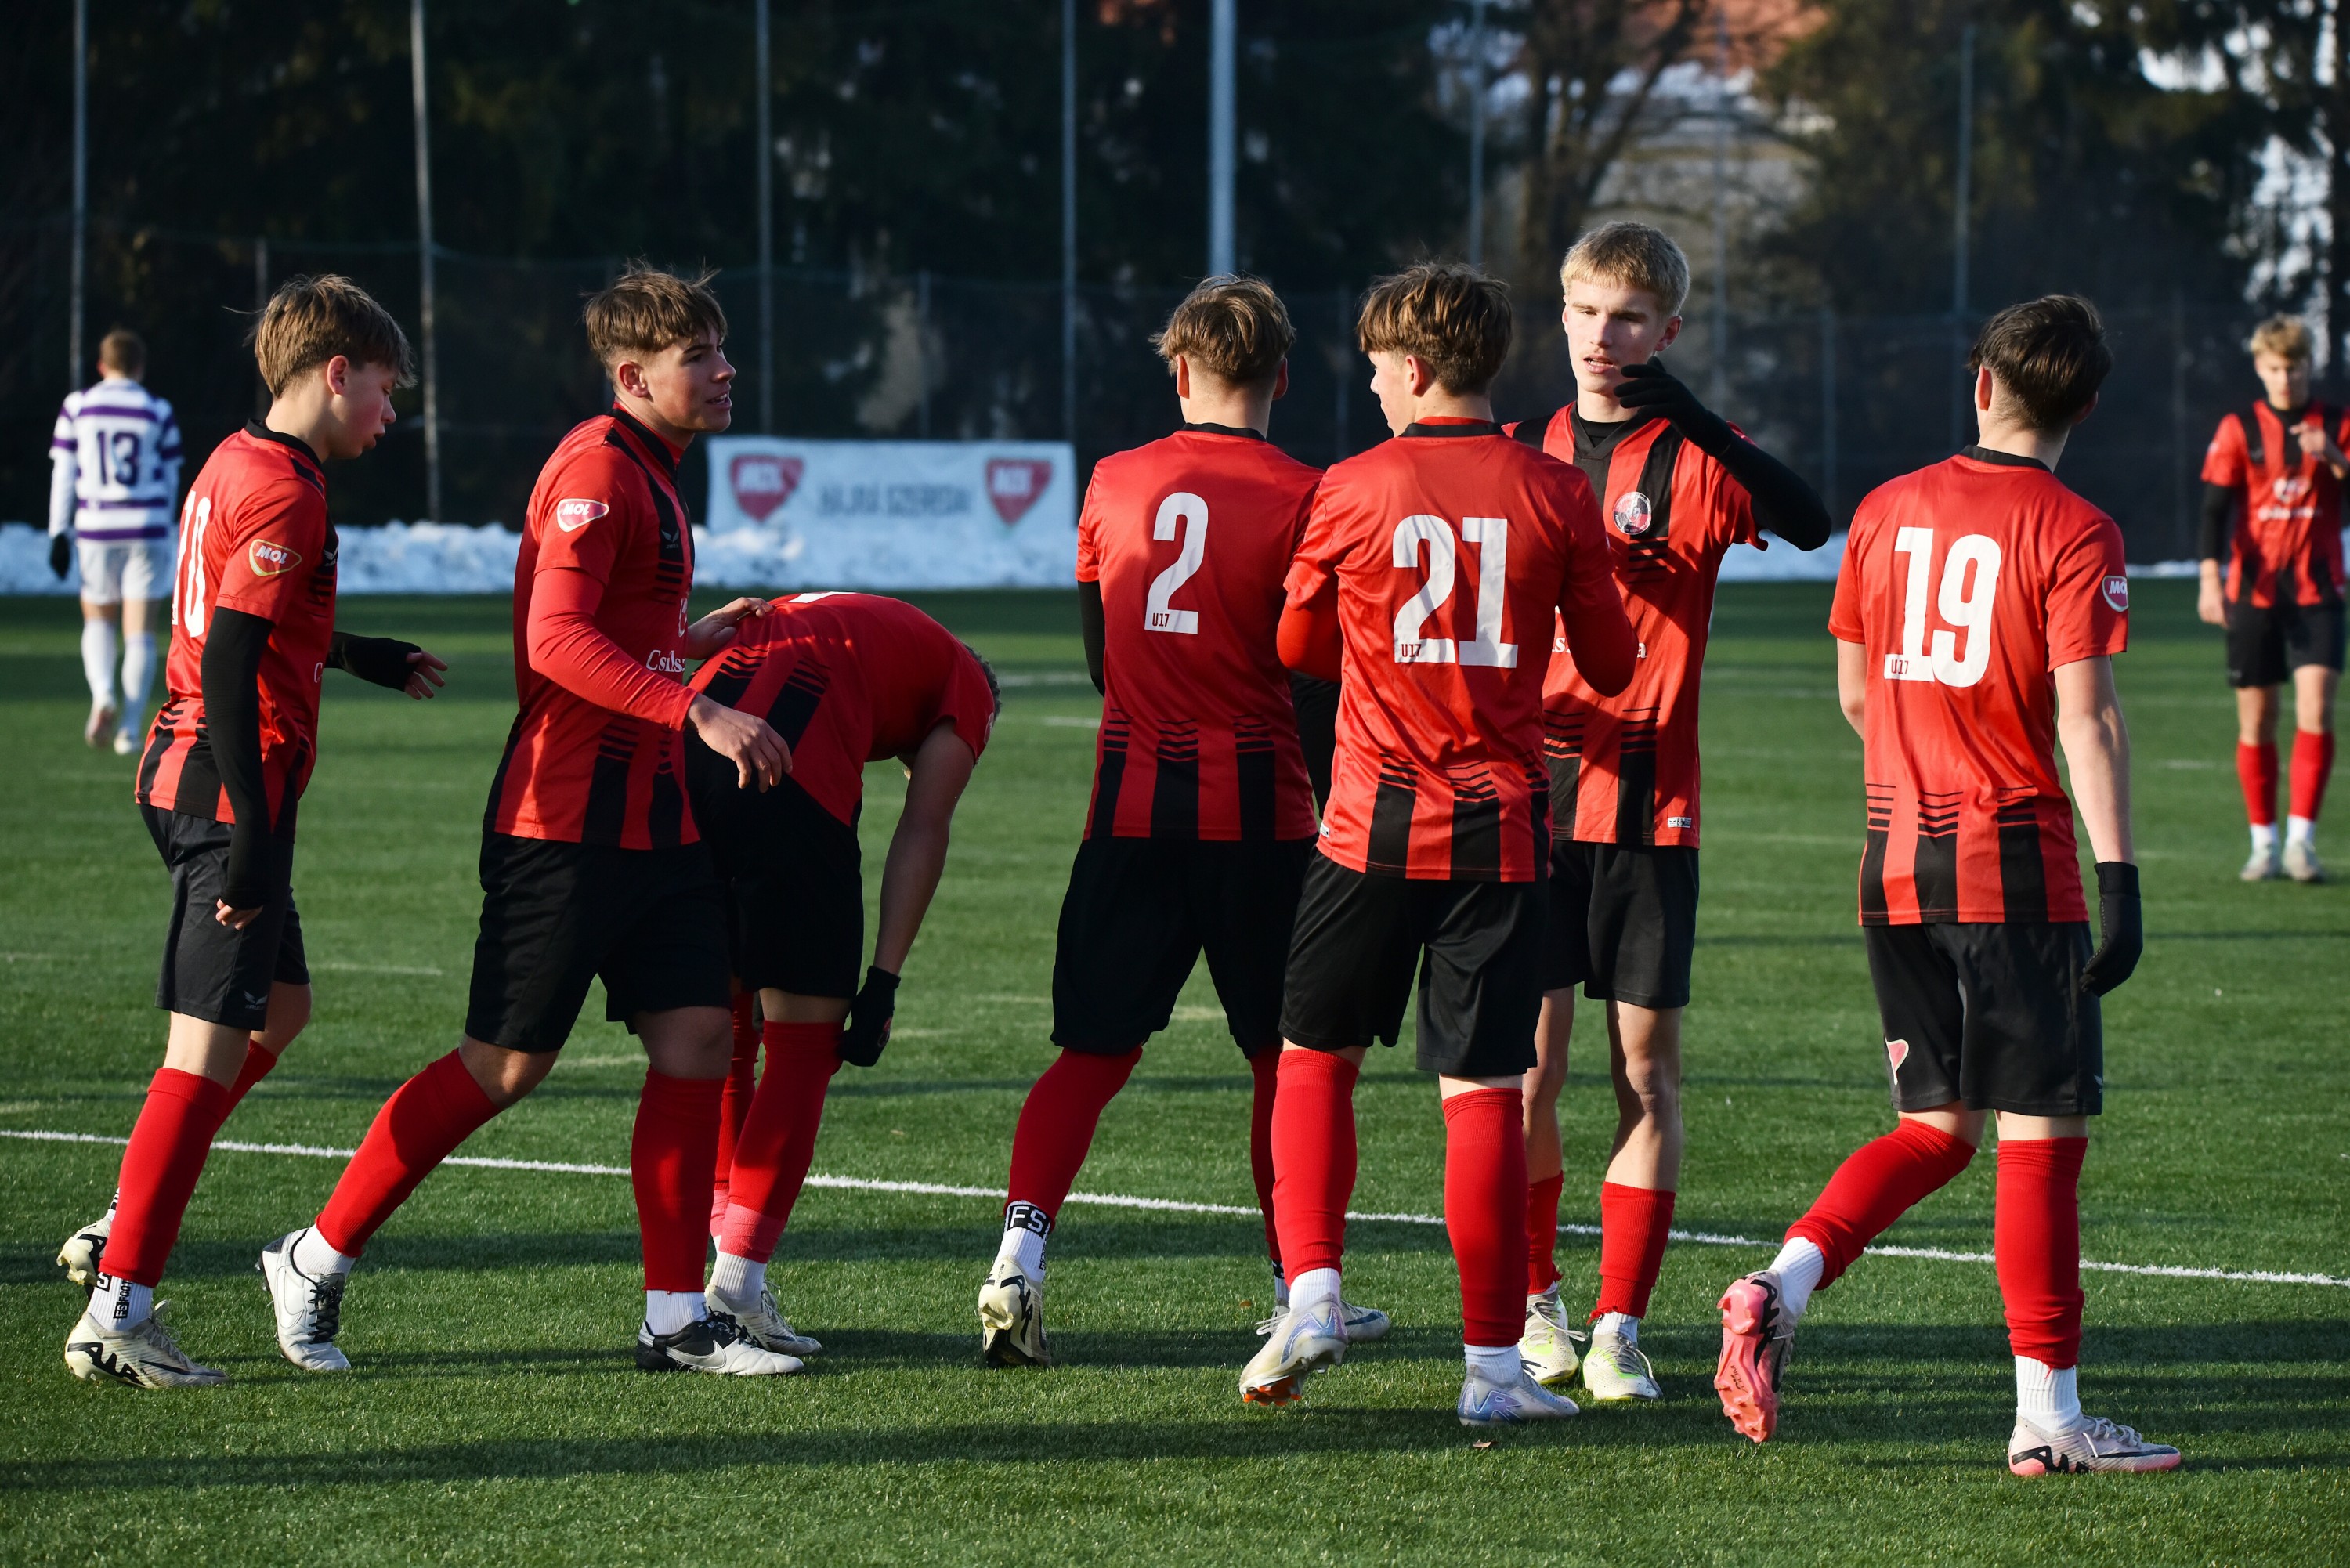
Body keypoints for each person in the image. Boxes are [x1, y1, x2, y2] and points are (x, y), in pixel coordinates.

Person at [257, 265, 800, 1378]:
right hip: (563, 821)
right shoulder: (599, 468)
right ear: (635, 374)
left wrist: (686, 641)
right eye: (700, 355)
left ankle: (673, 1317)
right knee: (503, 1067)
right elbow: (554, 644)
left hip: (651, 819)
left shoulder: (650, 466)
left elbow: (604, 634)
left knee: (700, 1037)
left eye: (720, 349)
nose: (724, 369)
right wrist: (694, 704)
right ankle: (314, 1255)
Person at [1714, 295, 2178, 1476]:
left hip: (1892, 859)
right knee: (2042, 1138)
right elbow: (2087, 715)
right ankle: (2050, 1418)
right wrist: (2118, 874)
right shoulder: (2077, 528)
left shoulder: (1882, 510)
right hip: (2015, 865)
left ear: (1980, 384)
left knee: (1934, 1127)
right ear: (2083, 406)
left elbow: (1861, 698)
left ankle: (1781, 1283)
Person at [1242, 262, 1635, 1426]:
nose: (1370, 386)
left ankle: (1312, 1289)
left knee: (1314, 1059)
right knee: (1481, 1098)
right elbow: (1612, 666)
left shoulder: (1351, 485)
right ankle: (1493, 1373)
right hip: (1499, 837)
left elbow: (1298, 639)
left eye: (1374, 368)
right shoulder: (1556, 489)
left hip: (1365, 826)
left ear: (1413, 370)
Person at [974, 276, 1386, 1369]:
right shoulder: (1314, 494)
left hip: (1128, 812)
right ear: (1283, 378)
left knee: (1088, 1055)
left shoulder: (1113, 481)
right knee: (1287, 1061)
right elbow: (1314, 672)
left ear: (1178, 370)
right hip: (1263, 822)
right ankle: (1301, 1288)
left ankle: (1018, 1255)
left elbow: (1100, 658)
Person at [60, 276, 446, 1389]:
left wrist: (354, 648)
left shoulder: (240, 459)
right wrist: (257, 839)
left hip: (188, 778)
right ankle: (119, 1306)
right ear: (337, 372)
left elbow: (249, 624)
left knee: (285, 1007)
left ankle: (126, 1223)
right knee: (202, 1054)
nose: (389, 410)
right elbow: (228, 662)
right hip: (220, 791)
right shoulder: (289, 492)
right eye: (384, 387)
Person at [1503, 221, 1831, 1401]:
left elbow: (1809, 518)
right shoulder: (1518, 447)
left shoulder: (1695, 454)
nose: (1605, 336)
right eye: (1588, 312)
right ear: (1562, 316)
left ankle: (1617, 1325)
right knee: (1532, 1072)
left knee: (1647, 1072)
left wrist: (1691, 412)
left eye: (1631, 317)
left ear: (1669, 332)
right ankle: (1539, 1305)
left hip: (1651, 807)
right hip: (1530, 803)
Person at [688, 591, 998, 1363]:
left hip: (680, 754)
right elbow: (924, 823)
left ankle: (718, 1268)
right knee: (803, 1042)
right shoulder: (966, 682)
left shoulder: (838, 616)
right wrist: (884, 980)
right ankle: (737, 1276)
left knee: (720, 1033)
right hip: (784, 776)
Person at [2197, 314, 2345, 883]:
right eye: (2276, 369)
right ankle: (2264, 843)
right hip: (2253, 594)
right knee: (2257, 718)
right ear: (2260, 369)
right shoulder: (2239, 427)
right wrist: (2211, 582)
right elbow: (2213, 513)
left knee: (2317, 711)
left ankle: (2301, 843)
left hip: (2319, 591)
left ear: (2310, 366)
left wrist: (2332, 454)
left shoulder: (2337, 423)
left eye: (2296, 368)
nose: (2286, 378)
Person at [49, 328, 185, 755]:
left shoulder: (78, 407)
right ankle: (129, 727)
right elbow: (170, 478)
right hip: (146, 526)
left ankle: (103, 692)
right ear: (140, 367)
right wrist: (168, 530)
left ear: (101, 366)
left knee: (99, 619)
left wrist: (58, 530)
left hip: (97, 528)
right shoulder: (157, 410)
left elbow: (64, 474)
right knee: (140, 630)